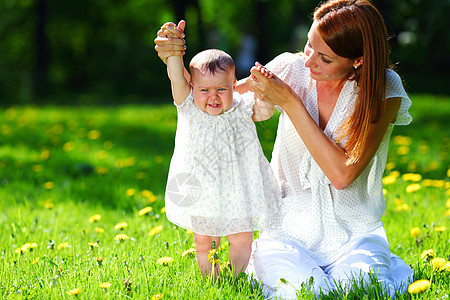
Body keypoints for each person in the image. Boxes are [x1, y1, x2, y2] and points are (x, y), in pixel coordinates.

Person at [155, 0, 414, 297]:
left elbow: (342, 175)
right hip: (286, 232)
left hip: (355, 234)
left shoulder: (383, 87)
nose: (308, 62)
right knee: (305, 293)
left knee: (358, 292)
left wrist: (290, 101)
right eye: (308, 46)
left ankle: (371, 265)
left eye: (324, 59)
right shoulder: (290, 67)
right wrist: (173, 59)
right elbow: (214, 101)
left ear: (358, 60)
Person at [161, 23, 280, 278]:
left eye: (221, 89)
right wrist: (174, 48)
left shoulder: (241, 108)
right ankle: (211, 280)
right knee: (205, 242)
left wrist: (265, 92)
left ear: (234, 85)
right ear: (192, 86)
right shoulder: (188, 106)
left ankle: (237, 278)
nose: (213, 96)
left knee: (241, 239)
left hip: (238, 189)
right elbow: (175, 76)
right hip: (202, 189)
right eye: (204, 89)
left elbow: (265, 111)